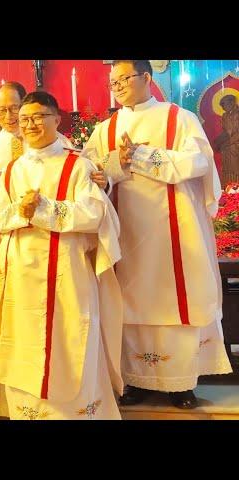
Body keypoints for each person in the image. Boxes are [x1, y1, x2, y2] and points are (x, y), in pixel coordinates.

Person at [84, 60, 232, 409]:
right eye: (113, 81)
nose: (117, 86)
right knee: (130, 302)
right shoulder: (105, 128)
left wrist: (142, 154)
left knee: (174, 299)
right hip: (126, 230)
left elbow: (198, 162)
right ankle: (135, 380)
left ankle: (180, 383)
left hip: (173, 232)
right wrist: (117, 162)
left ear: (146, 77)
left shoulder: (178, 118)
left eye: (124, 78)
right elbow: (91, 173)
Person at [0, 91, 124, 419]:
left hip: (67, 271)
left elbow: (94, 213)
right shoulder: (11, 170)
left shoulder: (78, 166)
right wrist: (23, 212)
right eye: (24, 119)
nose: (31, 124)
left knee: (70, 341)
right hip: (20, 276)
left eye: (38, 117)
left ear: (56, 119)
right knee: (24, 345)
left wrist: (45, 209)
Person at [214, 94, 239, 187]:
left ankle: (236, 191)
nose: (223, 108)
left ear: (232, 103)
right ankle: (228, 189)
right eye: (222, 106)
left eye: (224, 105)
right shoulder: (225, 116)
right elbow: (226, 131)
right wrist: (218, 143)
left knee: (235, 169)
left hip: (235, 147)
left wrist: (229, 142)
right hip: (226, 149)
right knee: (227, 169)